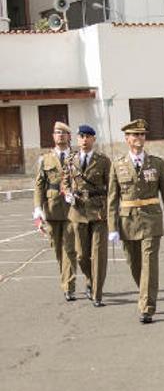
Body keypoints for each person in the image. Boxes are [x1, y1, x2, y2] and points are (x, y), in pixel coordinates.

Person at [107, 119, 164, 324]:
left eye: (142, 135)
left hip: (151, 220)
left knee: (149, 264)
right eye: (135, 135)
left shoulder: (156, 163)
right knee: (135, 264)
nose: (139, 138)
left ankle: (147, 307)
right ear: (127, 139)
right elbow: (112, 199)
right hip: (127, 221)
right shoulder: (117, 165)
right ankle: (145, 292)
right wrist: (112, 227)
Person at [62, 125, 112, 307]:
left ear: (93, 139)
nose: (84, 140)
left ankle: (97, 294)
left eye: (88, 136)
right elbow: (65, 181)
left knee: (98, 254)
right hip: (78, 211)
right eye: (81, 136)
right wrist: (67, 193)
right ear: (77, 139)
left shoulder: (103, 161)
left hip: (98, 211)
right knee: (82, 255)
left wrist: (111, 210)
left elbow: (111, 187)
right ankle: (91, 279)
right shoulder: (70, 160)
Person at [33, 121, 78, 301]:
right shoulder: (45, 159)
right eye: (57, 132)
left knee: (69, 248)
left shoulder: (76, 157)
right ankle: (66, 278)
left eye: (63, 133)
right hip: (51, 209)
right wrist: (38, 209)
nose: (60, 135)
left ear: (69, 137)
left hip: (71, 209)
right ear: (53, 136)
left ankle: (69, 286)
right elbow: (39, 186)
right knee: (58, 249)